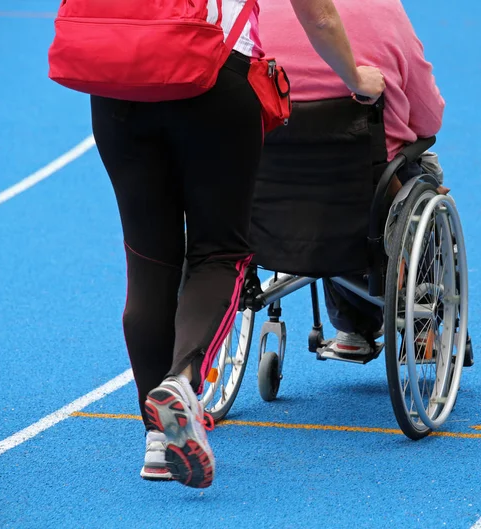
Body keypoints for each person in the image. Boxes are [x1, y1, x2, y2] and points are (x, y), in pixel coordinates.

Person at [89, 0, 384, 489]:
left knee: (148, 260)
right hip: (212, 74)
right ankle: (182, 381)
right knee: (218, 252)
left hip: (118, 79)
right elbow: (321, 15)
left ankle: (158, 445)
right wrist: (356, 80)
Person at [258, 0, 446, 355]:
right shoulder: (384, 10)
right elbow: (428, 119)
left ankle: (352, 327)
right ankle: (419, 324)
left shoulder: (254, 14)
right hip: (362, 194)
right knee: (419, 173)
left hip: (267, 191)